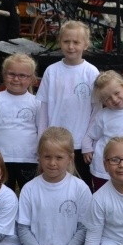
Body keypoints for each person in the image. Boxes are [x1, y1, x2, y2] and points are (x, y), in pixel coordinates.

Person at [17, 127, 92, 245]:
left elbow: (83, 228)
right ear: (39, 157)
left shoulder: (80, 188)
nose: (52, 163)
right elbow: (23, 228)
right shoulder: (29, 189)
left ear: (70, 158)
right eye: (47, 157)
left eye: (59, 157)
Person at [36, 21, 100, 189]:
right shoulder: (51, 71)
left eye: (76, 42)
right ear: (60, 42)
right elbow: (43, 108)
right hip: (53, 143)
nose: (71, 46)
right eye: (66, 41)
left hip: (80, 144)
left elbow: (96, 111)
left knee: (82, 187)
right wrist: (41, 140)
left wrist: (87, 142)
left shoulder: (91, 72)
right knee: (54, 184)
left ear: (85, 44)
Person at [0, 53, 39, 192]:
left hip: (29, 159)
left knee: (29, 192)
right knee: (1, 192)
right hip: (0, 159)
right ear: (4, 74)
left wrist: (41, 151)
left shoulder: (36, 102)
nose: (16, 79)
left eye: (22, 75)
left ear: (32, 79)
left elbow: (41, 128)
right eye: (11, 74)